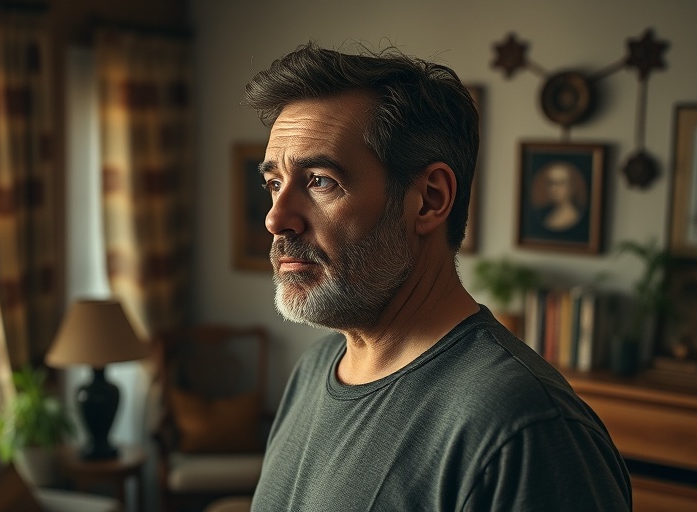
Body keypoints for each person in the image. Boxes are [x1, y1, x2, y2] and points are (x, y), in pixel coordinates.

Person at [244, 42, 631, 511]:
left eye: (321, 181)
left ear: (429, 199)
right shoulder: (316, 367)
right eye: (274, 184)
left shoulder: (526, 428)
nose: (276, 218)